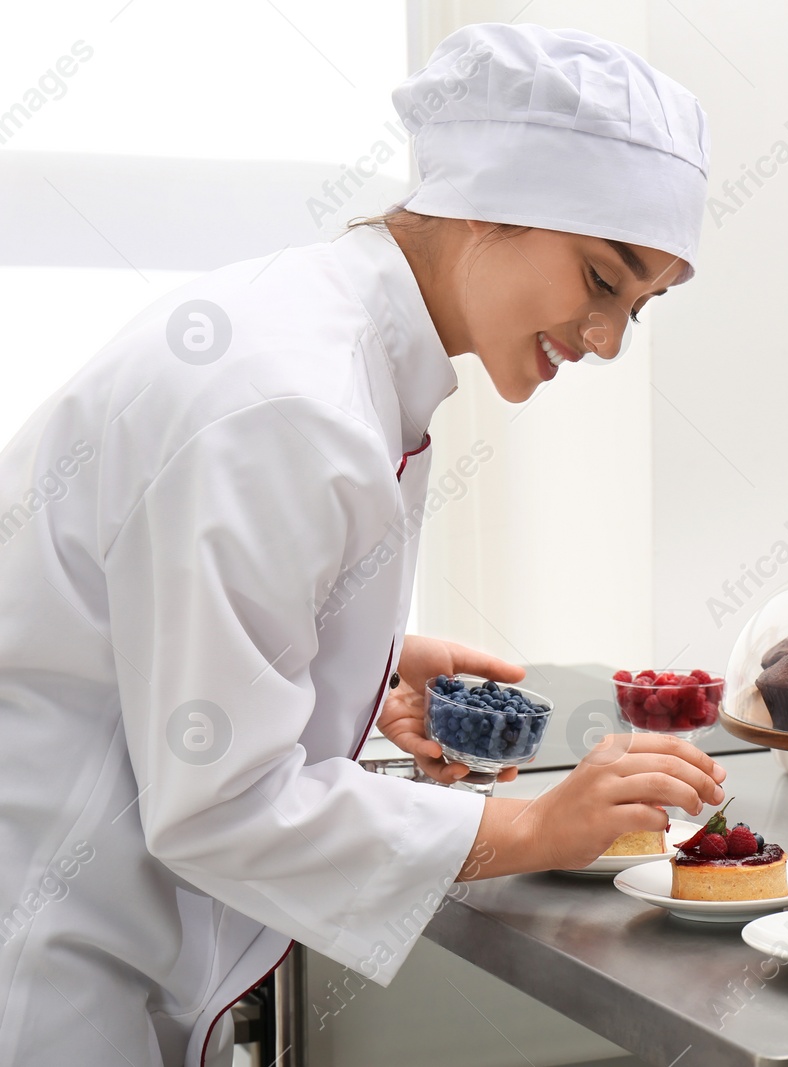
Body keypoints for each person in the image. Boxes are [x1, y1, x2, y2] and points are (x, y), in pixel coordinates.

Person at [0, 23, 720, 1067]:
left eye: (638, 309)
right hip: (41, 951)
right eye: (601, 280)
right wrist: (529, 828)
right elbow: (225, 802)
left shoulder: (328, 338)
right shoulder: (288, 399)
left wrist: (363, 654)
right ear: (485, 205)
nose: (606, 339)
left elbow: (144, 623)